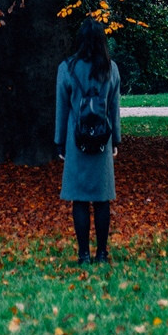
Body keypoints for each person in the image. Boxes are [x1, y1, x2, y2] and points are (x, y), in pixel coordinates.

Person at [55, 19, 122, 266]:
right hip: (103, 140)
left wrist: (59, 141)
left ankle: (83, 254)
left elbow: (62, 108)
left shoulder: (67, 68)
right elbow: (114, 107)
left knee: (79, 198)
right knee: (102, 198)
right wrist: (116, 139)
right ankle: (102, 253)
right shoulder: (110, 68)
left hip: (76, 140)